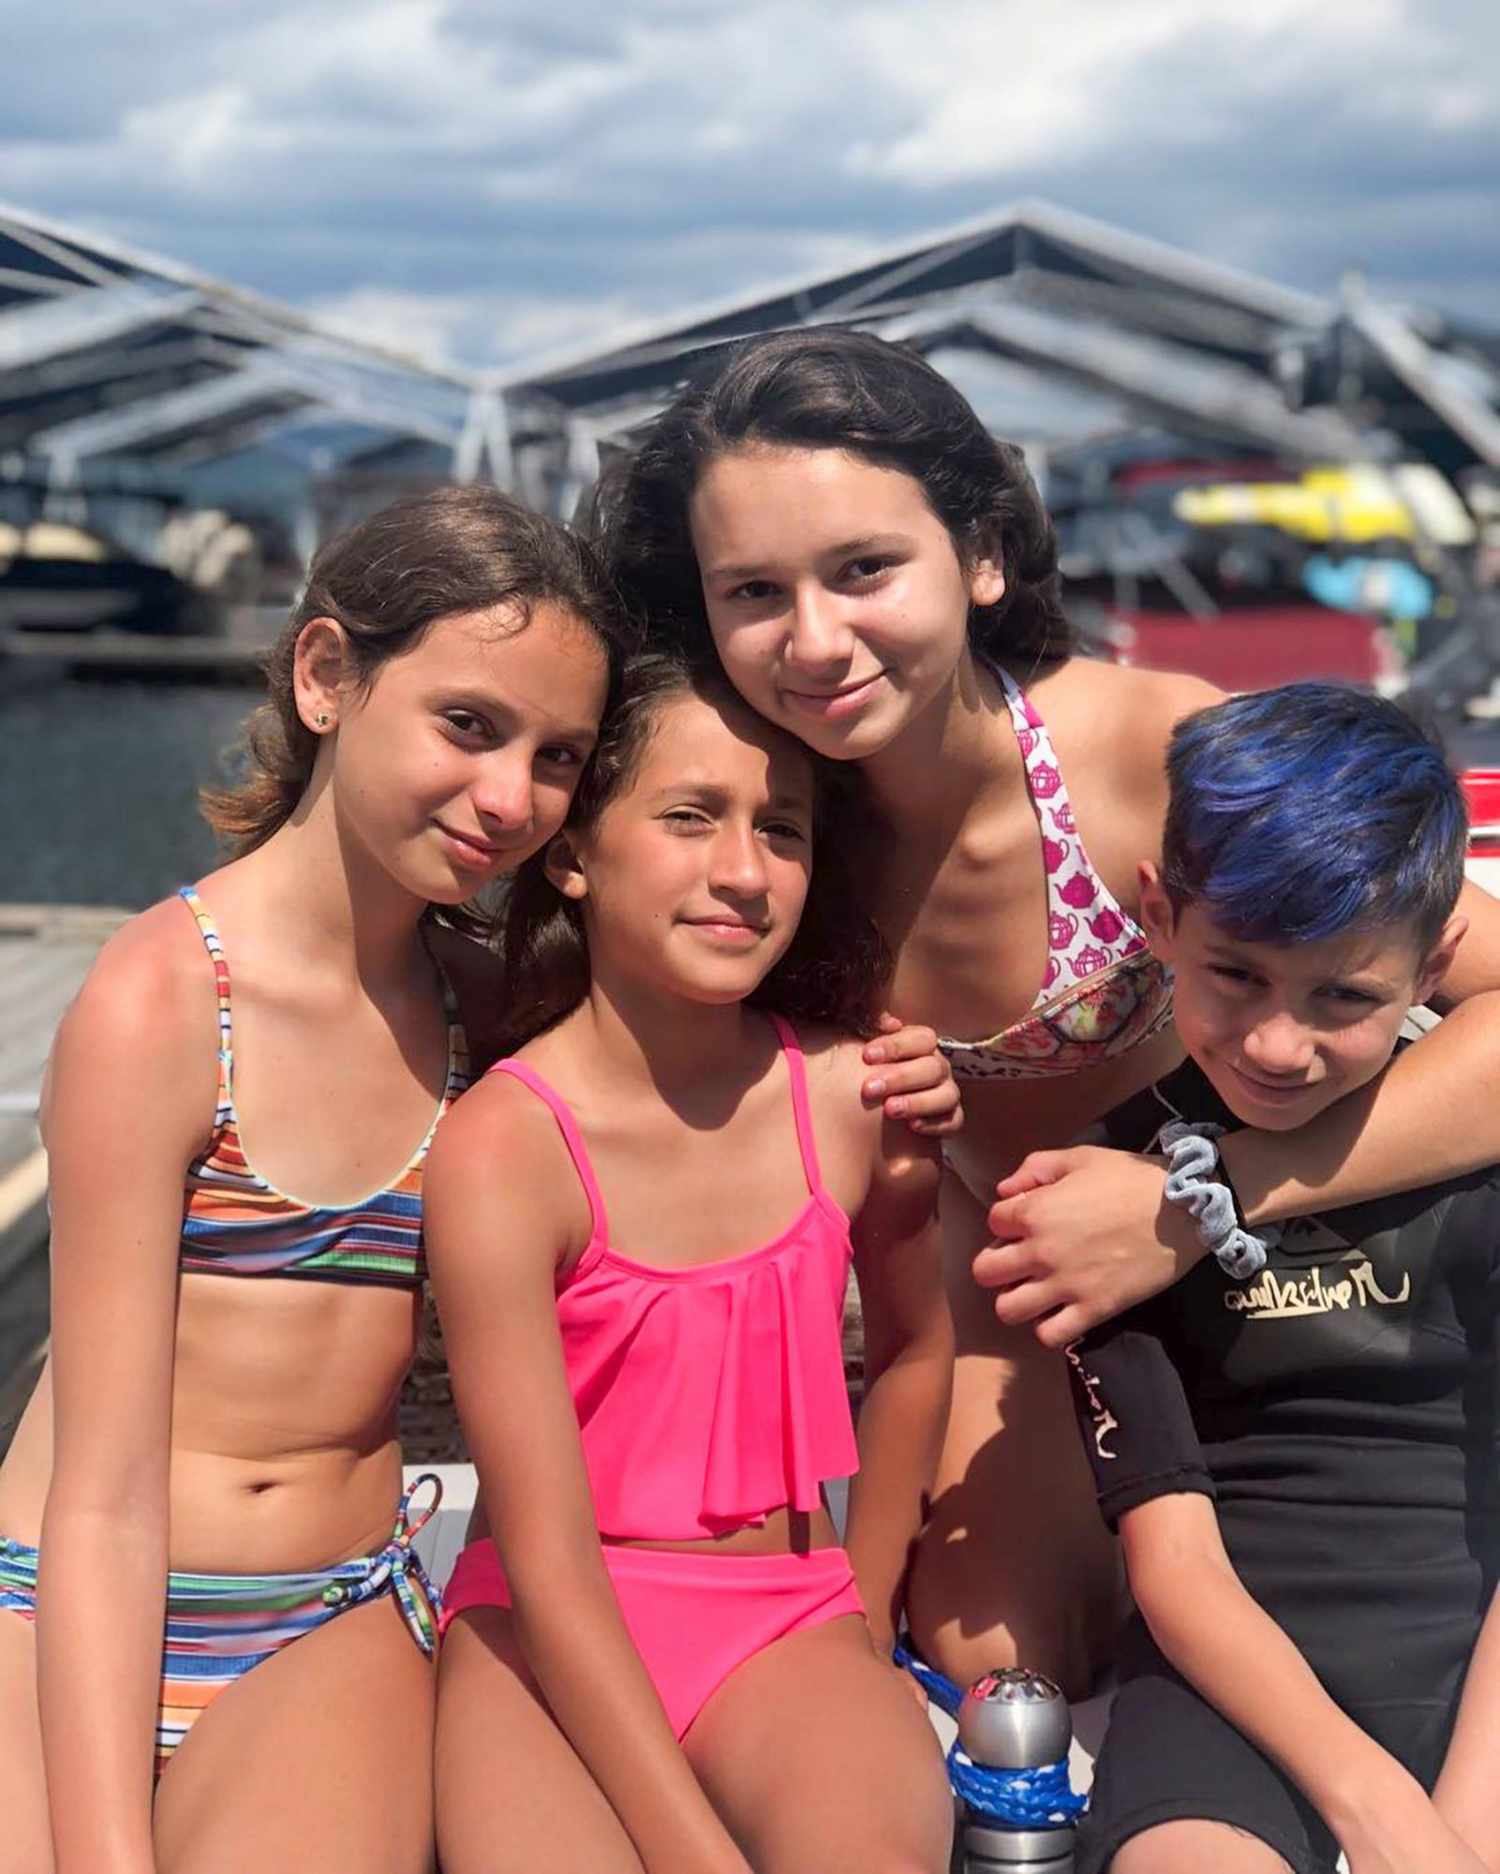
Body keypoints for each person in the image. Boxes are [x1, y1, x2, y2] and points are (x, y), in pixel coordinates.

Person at [0, 482, 959, 1874]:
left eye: (557, 755)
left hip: (328, 1617)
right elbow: (100, 1495)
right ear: (326, 677)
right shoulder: (163, 1003)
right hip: (66, 1596)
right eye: (467, 723)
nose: (509, 796)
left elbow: (675, 1041)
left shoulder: (478, 1003)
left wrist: (899, 1066)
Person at [594, 326, 1500, 1693]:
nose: (815, 639)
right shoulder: (753, 831)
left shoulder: (1151, 757)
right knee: (1002, 1666)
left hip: (1291, 1263)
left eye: (863, 569)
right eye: (755, 591)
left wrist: (1198, 1198)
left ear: (982, 555)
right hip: (1017, 1307)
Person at [424, 652, 957, 1874]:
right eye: (688, 816)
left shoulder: (854, 1096)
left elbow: (920, 1352)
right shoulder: (507, 1146)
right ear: (573, 852)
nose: (744, 870)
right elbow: (551, 1565)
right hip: (536, 1633)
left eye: (782, 829)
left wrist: (862, 1608)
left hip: (787, 1620)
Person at [1065, 683, 1498, 1874]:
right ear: (1159, 917)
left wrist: (1461, 1830)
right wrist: (1381, 1809)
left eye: (1343, 995)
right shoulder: (1106, 1193)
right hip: (1229, 1685)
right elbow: (1174, 1565)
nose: (1274, 1043)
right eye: (1237, 974)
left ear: (1433, 965)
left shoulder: (1481, 1151)